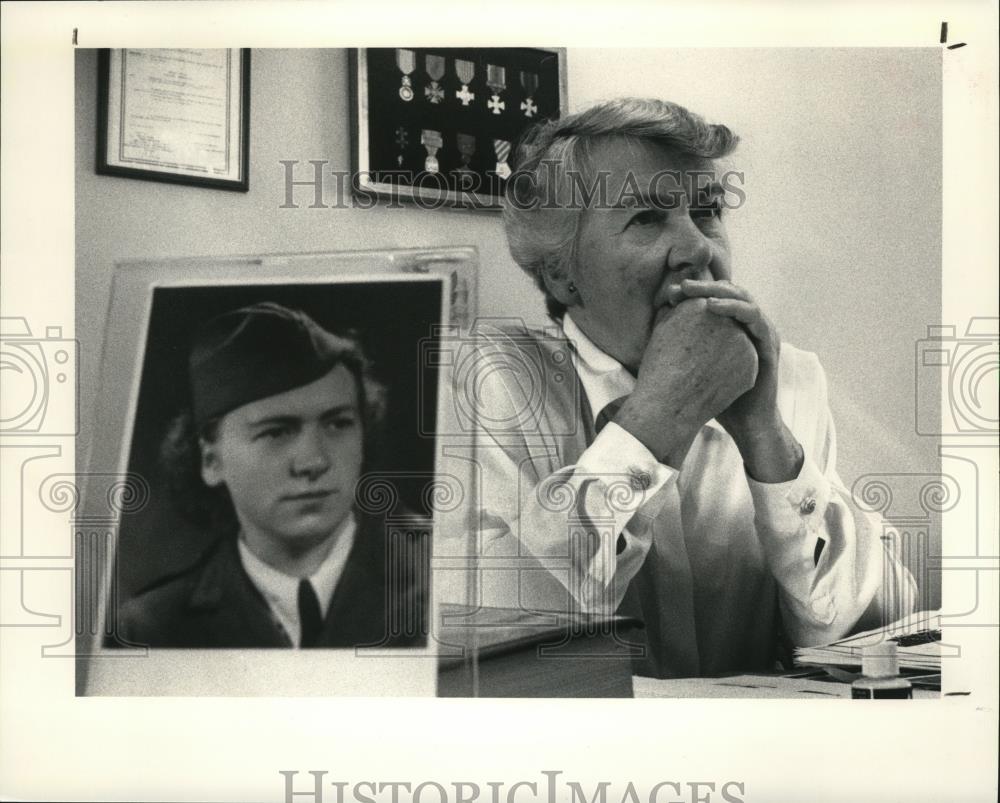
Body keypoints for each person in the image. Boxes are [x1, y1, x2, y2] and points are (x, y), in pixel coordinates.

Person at [451, 97, 916, 678]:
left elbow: (880, 643)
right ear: (562, 274)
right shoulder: (484, 384)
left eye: (708, 211)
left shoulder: (787, 376)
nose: (699, 248)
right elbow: (496, 648)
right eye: (646, 218)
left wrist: (765, 433)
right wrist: (659, 418)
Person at [116, 302, 428, 648]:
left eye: (338, 424)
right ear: (210, 460)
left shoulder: (445, 574)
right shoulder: (149, 629)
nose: (313, 462)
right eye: (276, 432)